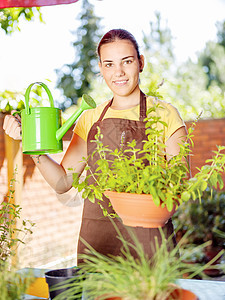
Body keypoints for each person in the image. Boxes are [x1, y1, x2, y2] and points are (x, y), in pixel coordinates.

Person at [3, 29, 187, 263]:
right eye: (109, 64)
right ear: (100, 68)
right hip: (99, 246)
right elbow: (62, 182)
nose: (118, 72)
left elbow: (179, 182)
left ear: (140, 63)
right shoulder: (90, 118)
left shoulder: (164, 113)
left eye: (127, 61)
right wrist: (31, 145)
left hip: (149, 244)